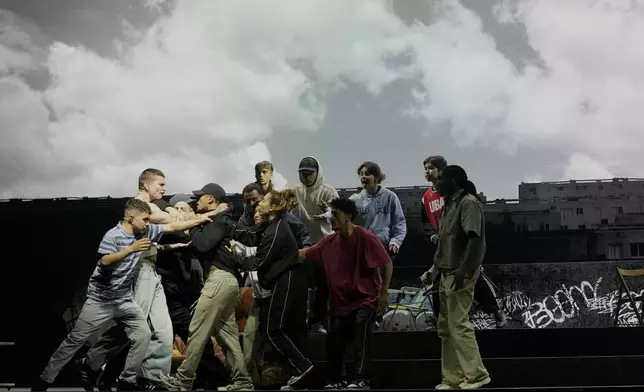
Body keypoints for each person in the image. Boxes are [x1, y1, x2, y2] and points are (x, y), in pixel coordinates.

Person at [32, 199, 211, 391]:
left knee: (143, 335)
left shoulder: (146, 231)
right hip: (101, 300)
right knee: (76, 338)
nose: (149, 224)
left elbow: (172, 226)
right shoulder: (113, 235)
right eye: (145, 220)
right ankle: (45, 379)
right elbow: (105, 261)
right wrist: (131, 249)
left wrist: (202, 218)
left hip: (124, 300)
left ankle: (128, 380)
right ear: (131, 218)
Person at [80, 170, 227, 390]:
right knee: (134, 327)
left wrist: (171, 239)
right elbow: (168, 221)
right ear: (146, 185)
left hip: (151, 271)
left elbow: (165, 220)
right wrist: (210, 214)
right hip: (139, 271)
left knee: (162, 330)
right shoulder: (139, 206)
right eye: (160, 184)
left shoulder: (155, 204)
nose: (164, 189)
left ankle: (151, 378)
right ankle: (92, 363)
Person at [161, 183, 254, 392]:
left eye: (200, 197)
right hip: (227, 282)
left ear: (211, 199)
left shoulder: (219, 219)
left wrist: (193, 224)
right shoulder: (219, 218)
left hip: (219, 280)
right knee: (227, 335)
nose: (197, 201)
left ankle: (183, 379)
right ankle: (243, 382)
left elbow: (202, 245)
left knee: (197, 328)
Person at [297, 198, 393, 389]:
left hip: (366, 297)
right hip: (341, 302)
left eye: (335, 214)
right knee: (334, 338)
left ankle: (361, 378)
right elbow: (306, 252)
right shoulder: (329, 241)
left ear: (348, 216)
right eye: (331, 214)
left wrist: (384, 293)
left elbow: (387, 262)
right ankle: (335, 379)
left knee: (361, 331)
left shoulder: (365, 237)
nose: (331, 218)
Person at [234, 189, 314, 390]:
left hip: (288, 280)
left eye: (264, 201)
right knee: (281, 328)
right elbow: (251, 237)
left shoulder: (276, 229)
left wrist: (234, 257)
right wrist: (229, 232)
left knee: (273, 329)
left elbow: (259, 262)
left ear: (272, 207)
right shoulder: (271, 225)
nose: (259, 203)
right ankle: (300, 372)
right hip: (286, 280)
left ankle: (302, 366)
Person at [419, 156, 507, 329]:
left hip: (459, 245)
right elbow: (424, 221)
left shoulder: (460, 195)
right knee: (439, 285)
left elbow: (473, 224)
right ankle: (440, 322)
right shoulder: (427, 197)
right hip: (443, 247)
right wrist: (431, 234)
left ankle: (494, 310)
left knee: (473, 277)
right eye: (425, 168)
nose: (427, 172)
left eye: (431, 168)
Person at [431, 165, 491, 390]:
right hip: (447, 273)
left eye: (442, 178)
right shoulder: (449, 205)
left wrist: (464, 271)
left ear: (455, 181)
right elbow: (446, 245)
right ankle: (452, 378)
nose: (438, 182)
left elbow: (475, 242)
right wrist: (434, 271)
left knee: (458, 323)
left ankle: (476, 375)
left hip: (460, 273)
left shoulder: (468, 203)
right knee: (446, 327)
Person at [291, 157, 339, 333]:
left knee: (325, 286)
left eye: (309, 173)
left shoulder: (328, 191)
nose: (306, 177)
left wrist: (326, 214)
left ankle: (320, 321)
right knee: (303, 285)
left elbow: (336, 212)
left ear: (317, 172)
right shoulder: (295, 190)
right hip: (304, 245)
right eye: (302, 173)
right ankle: (305, 321)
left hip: (326, 245)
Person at [349, 161, 407, 257]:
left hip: (383, 248)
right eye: (361, 174)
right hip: (361, 249)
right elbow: (341, 216)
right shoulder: (355, 199)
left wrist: (396, 241)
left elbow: (399, 222)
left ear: (376, 177)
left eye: (367, 174)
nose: (363, 177)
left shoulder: (390, 197)